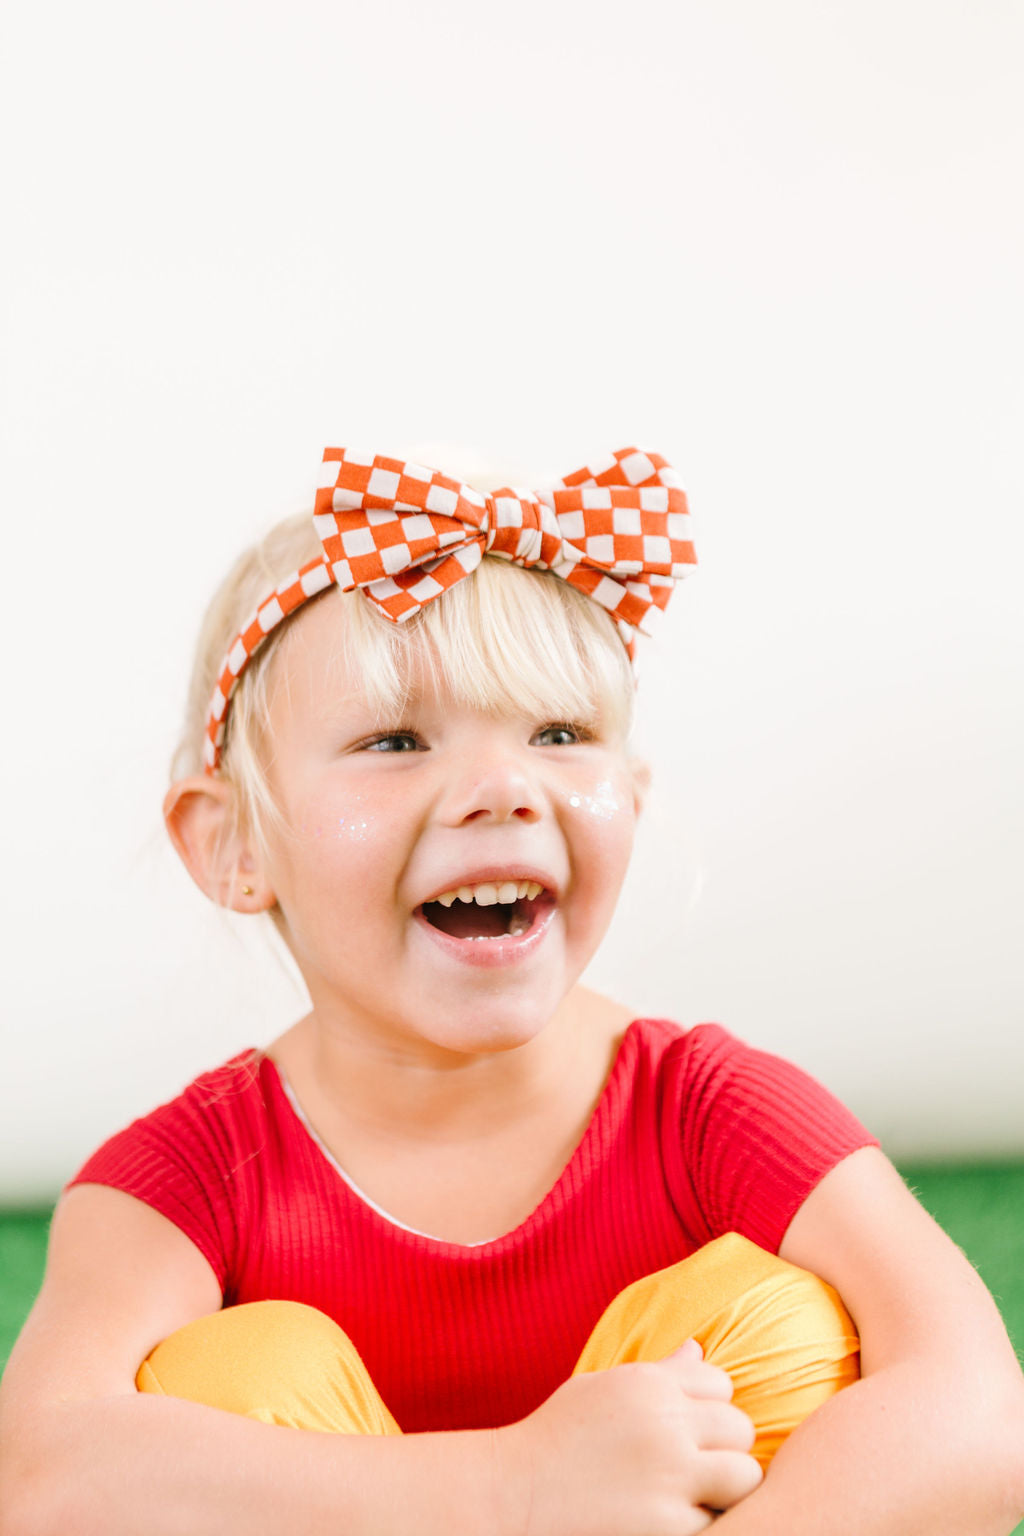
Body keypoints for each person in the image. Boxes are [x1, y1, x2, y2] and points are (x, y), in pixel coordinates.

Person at [1, 446, 1022, 1536]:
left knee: (786, 1327)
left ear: (630, 795)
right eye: (394, 741)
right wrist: (511, 1489)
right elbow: (44, 1478)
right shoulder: (184, 1178)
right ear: (235, 844)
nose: (502, 788)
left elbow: (975, 1409)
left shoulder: (709, 1105)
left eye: (559, 735)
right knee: (230, 1374)